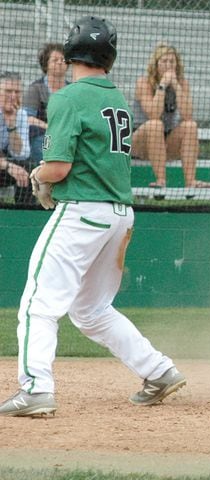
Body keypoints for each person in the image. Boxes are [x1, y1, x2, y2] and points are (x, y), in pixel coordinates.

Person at [0, 16, 186, 417]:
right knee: (92, 310)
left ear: (71, 52)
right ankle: (159, 371)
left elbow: (59, 166)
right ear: (109, 56)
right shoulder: (117, 97)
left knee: (38, 304)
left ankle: (35, 389)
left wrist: (37, 176)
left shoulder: (68, 97)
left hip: (83, 212)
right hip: (120, 215)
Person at [131, 42, 210, 191]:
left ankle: (191, 181)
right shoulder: (144, 83)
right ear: (156, 64)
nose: (168, 65)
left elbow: (188, 115)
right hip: (140, 143)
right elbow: (153, 114)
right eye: (164, 61)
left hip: (165, 143)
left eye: (172, 61)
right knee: (155, 124)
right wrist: (162, 85)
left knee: (190, 126)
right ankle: (161, 180)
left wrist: (175, 84)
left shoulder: (181, 83)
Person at [23, 43, 69, 164]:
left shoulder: (72, 89)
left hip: (67, 135)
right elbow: (27, 118)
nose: (60, 62)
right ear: (46, 64)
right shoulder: (36, 89)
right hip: (43, 136)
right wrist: (50, 127)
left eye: (63, 59)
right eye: (55, 60)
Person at [0, 71, 32, 204]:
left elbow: (21, 154)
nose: (13, 96)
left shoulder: (21, 114)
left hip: (3, 162)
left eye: (17, 92)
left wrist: (12, 125)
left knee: (28, 170)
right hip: (3, 163)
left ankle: (24, 215)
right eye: (8, 91)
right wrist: (8, 166)